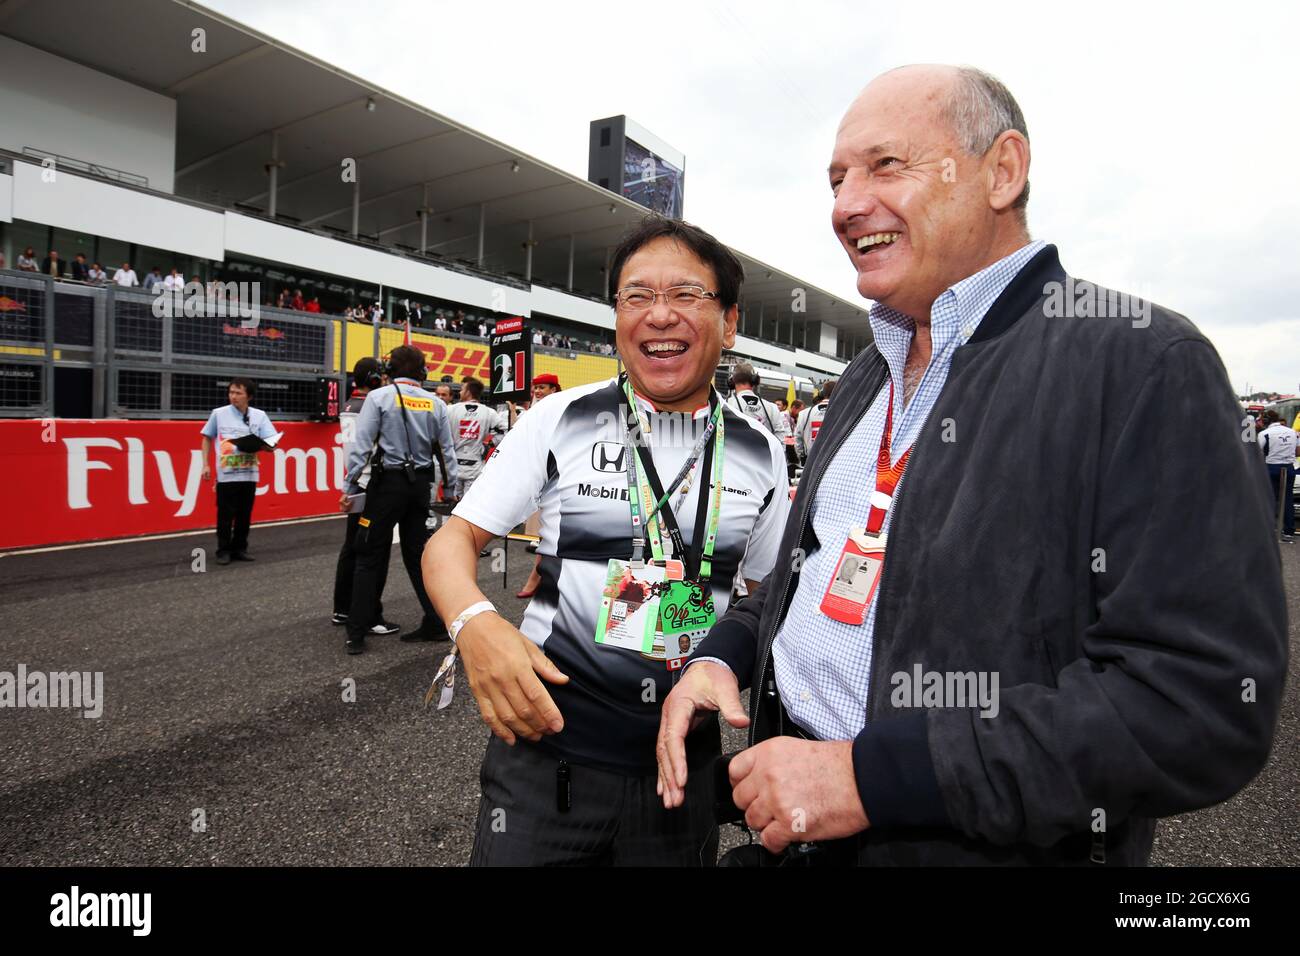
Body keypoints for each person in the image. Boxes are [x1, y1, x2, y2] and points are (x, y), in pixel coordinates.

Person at [657, 64, 1286, 866]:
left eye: (886, 165)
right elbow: (806, 574)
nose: (847, 204)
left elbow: (1197, 702)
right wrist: (723, 653)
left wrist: (872, 779)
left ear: (1002, 170)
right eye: (837, 179)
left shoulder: (1142, 363)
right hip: (785, 831)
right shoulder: (862, 376)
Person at [422, 216, 792, 866]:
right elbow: (453, 539)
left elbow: (761, 602)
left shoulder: (760, 453)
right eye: (637, 296)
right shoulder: (559, 418)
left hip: (682, 772)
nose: (659, 316)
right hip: (545, 764)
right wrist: (475, 624)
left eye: (685, 296)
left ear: (730, 323)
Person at [340, 344, 457, 654]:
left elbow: (361, 447)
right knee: (419, 557)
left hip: (386, 486)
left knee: (368, 555)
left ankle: (356, 632)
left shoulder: (378, 397)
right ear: (423, 372)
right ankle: (434, 622)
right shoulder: (436, 403)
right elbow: (446, 452)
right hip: (420, 486)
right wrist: (453, 488)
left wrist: (349, 486)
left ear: (390, 371)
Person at [332, 357, 398, 634]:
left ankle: (342, 608)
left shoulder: (349, 405)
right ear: (373, 379)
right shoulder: (370, 405)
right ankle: (369, 615)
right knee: (373, 552)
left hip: (355, 480)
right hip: (370, 482)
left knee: (351, 548)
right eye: (380, 378)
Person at [200, 379, 278, 565]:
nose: (233, 396)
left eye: (238, 393)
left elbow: (271, 444)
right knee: (225, 515)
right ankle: (223, 550)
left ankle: (240, 548)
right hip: (226, 474)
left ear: (249, 396)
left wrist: (262, 445)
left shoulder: (259, 416)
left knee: (245, 514)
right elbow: (206, 438)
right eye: (231, 392)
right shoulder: (219, 414)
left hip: (249, 472)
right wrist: (205, 464)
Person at [446, 377, 507, 500]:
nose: (460, 392)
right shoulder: (489, 412)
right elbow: (506, 431)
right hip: (475, 463)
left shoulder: (450, 409)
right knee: (469, 504)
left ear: (468, 391)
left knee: (451, 505)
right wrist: (490, 444)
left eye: (462, 389)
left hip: (453, 463)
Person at [725, 363, 788, 443]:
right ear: (755, 380)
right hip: (765, 455)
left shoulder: (726, 404)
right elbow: (780, 438)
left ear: (732, 382)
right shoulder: (772, 407)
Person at [1257, 410, 1296, 540]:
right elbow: (1297, 451)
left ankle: (1268, 529)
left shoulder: (1264, 433)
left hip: (1272, 467)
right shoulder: (1292, 432)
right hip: (1289, 468)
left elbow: (1257, 452)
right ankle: (1289, 530)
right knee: (1288, 499)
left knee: (1270, 498)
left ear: (1266, 421)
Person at [794, 380, 835, 464]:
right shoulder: (844, 412)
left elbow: (798, 438)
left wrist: (801, 456)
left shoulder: (804, 413)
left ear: (821, 393)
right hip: (834, 461)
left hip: (810, 461)